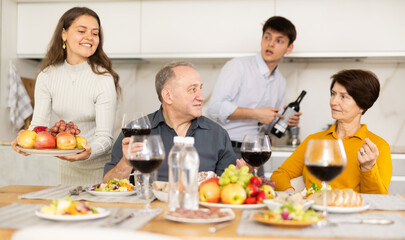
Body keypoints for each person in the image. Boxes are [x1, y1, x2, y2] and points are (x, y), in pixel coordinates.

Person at [12, 7, 119, 186]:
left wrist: (88, 152)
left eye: (95, 33)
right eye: (81, 31)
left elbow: (105, 137)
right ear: (64, 34)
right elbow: (39, 124)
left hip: (100, 169)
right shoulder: (47, 76)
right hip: (65, 167)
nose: (89, 37)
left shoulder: (103, 79)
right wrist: (27, 140)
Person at [103, 61, 236, 182]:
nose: (201, 97)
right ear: (168, 96)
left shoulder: (217, 134)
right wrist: (126, 163)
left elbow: (227, 188)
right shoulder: (136, 131)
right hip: (147, 207)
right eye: (192, 89)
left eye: (200, 88)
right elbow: (107, 184)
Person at [271, 69, 392, 194]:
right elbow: (279, 175)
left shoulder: (378, 147)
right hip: (313, 212)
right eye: (333, 94)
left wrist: (368, 168)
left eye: (343, 97)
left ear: (362, 105)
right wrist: (293, 195)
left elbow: (379, 198)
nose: (333, 102)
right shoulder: (314, 141)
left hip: (352, 213)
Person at [207, 16, 301, 175]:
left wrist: (285, 120)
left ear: (289, 48)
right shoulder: (238, 66)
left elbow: (269, 127)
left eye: (279, 41)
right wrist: (256, 113)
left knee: (259, 196)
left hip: (257, 152)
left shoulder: (280, 82)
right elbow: (214, 108)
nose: (270, 44)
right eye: (267, 37)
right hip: (227, 149)